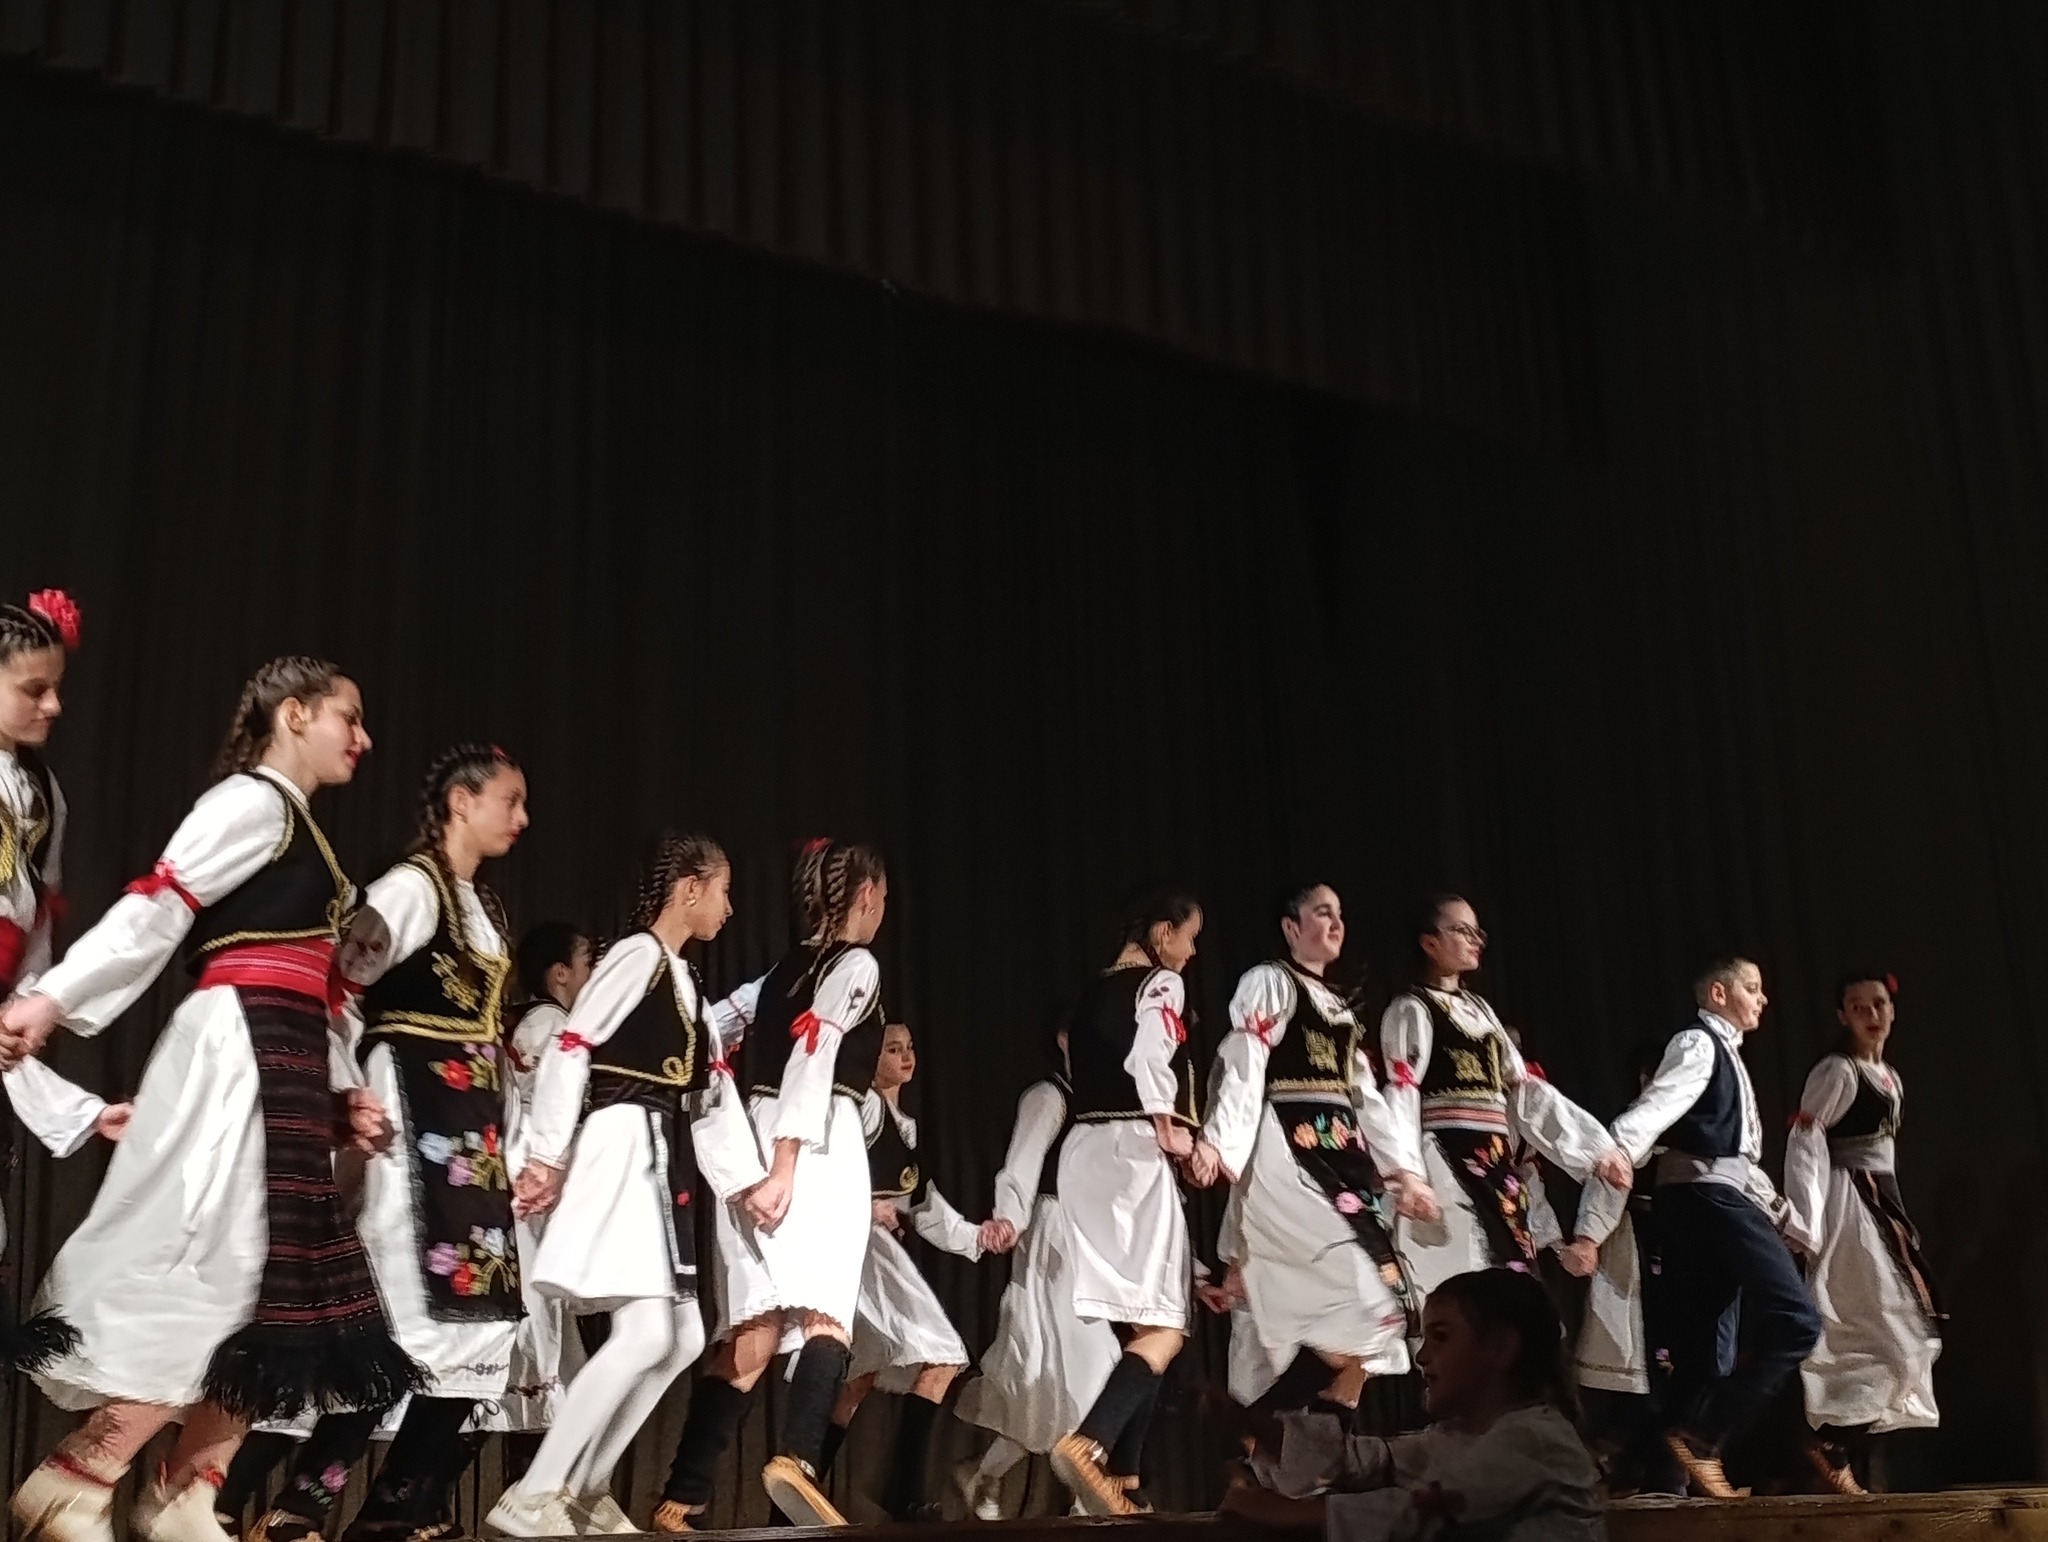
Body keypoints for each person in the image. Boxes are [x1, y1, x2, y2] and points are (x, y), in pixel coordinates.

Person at [1, 656, 410, 1542]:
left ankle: (187, 1491)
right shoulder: (250, 803)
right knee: (216, 1260)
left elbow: (316, 987)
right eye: (348, 716)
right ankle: (79, 1477)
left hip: (282, 1052)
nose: (363, 737)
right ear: (294, 715)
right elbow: (158, 907)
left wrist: (341, 1089)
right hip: (238, 1049)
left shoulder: (298, 823)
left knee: (273, 1282)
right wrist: (53, 999)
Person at [254, 746, 530, 1542]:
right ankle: (300, 1503)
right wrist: (348, 1090)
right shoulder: (412, 888)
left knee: (480, 1321)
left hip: (468, 1133)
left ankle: (391, 1507)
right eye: (509, 800)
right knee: (403, 1314)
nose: (522, 818)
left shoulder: (478, 903)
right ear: (461, 802)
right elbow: (334, 986)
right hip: (414, 1120)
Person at [488, 833, 769, 1537]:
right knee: (646, 1331)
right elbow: (573, 1046)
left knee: (683, 1336)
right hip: (623, 1143)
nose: (730, 908)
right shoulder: (637, 956)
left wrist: (746, 1183)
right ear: (690, 888)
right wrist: (547, 1155)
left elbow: (711, 1090)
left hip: (660, 1150)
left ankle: (584, 1488)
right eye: (724, 891)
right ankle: (535, 1490)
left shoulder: (681, 979)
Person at [658, 838, 890, 1530]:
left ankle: (682, 1496)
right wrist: (787, 1161)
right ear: (867, 896)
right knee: (827, 1313)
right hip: (815, 1138)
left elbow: (710, 1024)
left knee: (754, 1330)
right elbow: (817, 1052)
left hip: (751, 1133)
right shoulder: (856, 965)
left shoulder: (775, 976)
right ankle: (798, 1460)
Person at [1200, 885, 1433, 1419]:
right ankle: (1261, 1428)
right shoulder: (1271, 982)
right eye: (1322, 913)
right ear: (1290, 927)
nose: (1335, 924)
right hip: (1290, 1153)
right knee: (1364, 1298)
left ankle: (1292, 1442)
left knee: (1380, 1309)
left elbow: (1365, 1096)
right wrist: (1220, 1143)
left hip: (1341, 1158)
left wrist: (1404, 1171)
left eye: (1340, 915)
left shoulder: (1339, 1009)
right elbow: (1243, 1066)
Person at [1607, 958, 1820, 1498]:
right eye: (1752, 988)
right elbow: (1661, 1102)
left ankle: (1662, 1485)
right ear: (1719, 994)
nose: (1762, 998)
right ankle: (1703, 1437)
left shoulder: (1722, 1051)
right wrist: (1621, 1149)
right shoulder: (1698, 1043)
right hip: (1707, 1198)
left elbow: (1738, 1159)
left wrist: (1783, 1216)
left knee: (1705, 1357)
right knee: (1797, 1321)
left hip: (1705, 1198)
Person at [1217, 1268, 1606, 1542]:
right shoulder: (1456, 1440)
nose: (1422, 1357)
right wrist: (1257, 1426)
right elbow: (1364, 1462)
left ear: (1500, 1348)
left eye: (1441, 1337)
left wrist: (1281, 1512)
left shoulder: (1536, 1439)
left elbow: (1419, 1512)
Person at [1047, 889, 1213, 1517]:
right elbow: (1149, 1054)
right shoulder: (1161, 984)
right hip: (1131, 1150)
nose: (1190, 953)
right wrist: (1168, 1125)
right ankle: (1088, 1444)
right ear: (1163, 933)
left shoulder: (1090, 992)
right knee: (1167, 1325)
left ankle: (1126, 1480)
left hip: (1084, 1150)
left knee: (1140, 1327)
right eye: (1189, 938)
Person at [1379, 896, 1632, 1299]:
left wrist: (1595, 1149)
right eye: (1462, 930)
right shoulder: (1413, 1008)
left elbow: (1523, 1090)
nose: (1475, 940)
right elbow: (1401, 1092)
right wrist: (1407, 1175)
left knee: (1511, 1280)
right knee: (1463, 1276)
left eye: (1477, 932)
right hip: (1446, 1160)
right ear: (1429, 943)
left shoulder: (1480, 1011)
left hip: (1495, 1165)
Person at [812, 1021, 1012, 1521]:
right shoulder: (864, 1108)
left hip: (875, 1251)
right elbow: (825, 1171)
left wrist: (976, 1237)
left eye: (909, 1047)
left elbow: (921, 1207)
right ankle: (903, 1490)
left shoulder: (904, 1124)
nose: (905, 1056)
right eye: (892, 1048)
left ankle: (800, 1484)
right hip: (860, 1248)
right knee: (942, 1356)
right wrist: (865, 1207)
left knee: (859, 1378)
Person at [1783, 970, 1941, 1493]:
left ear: (1892, 1010)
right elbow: (1805, 1142)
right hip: (1849, 1205)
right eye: (1858, 1007)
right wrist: (1806, 1218)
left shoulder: (1888, 1076)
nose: (1871, 1015)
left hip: (1880, 1203)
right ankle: (1829, 1441)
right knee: (1872, 1320)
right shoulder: (1839, 1071)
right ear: (1842, 1016)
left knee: (1897, 1326)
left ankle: (1841, 1446)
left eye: (1878, 1005)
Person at [952, 1030, 1120, 1520]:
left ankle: (987, 1474)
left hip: (1087, 1236)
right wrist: (1009, 1216)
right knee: (1083, 1363)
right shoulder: (1051, 1096)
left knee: (1061, 1376)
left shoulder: (1101, 1099)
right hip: (1053, 1234)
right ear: (1066, 1039)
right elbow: (1022, 1161)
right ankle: (1082, 1501)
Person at [491, 921, 596, 1455]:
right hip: (534, 1189)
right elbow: (552, 1111)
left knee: (550, 1349)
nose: (592, 974)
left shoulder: (536, 1023)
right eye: (586, 963)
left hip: (530, 1189)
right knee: (536, 1338)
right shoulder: (552, 1026)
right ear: (560, 974)